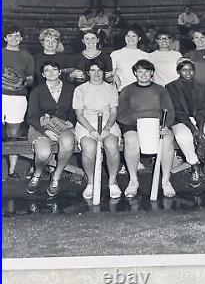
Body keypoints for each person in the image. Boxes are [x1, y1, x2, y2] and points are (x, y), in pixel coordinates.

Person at [117, 59, 176, 198]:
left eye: (147, 71)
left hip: (156, 125)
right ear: (135, 73)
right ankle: (133, 180)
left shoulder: (161, 90)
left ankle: (166, 180)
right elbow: (121, 114)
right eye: (140, 71)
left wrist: (165, 126)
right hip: (134, 125)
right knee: (131, 140)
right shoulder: (127, 90)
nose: (143, 74)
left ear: (152, 73)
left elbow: (170, 111)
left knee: (168, 139)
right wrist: (139, 125)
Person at [168, 58, 205, 188]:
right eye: (184, 70)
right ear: (178, 71)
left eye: (191, 70)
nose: (188, 73)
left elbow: (204, 109)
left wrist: (200, 128)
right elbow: (177, 111)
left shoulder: (202, 86)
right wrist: (193, 130)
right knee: (183, 137)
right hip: (181, 120)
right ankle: (194, 166)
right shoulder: (171, 87)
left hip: (201, 119)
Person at [73, 59, 122, 200]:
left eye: (99, 70)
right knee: (89, 149)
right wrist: (91, 130)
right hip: (86, 124)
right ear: (88, 72)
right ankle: (90, 182)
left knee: (111, 146)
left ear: (104, 72)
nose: (96, 73)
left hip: (108, 123)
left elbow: (113, 113)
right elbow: (79, 114)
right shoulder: (80, 90)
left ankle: (112, 182)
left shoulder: (111, 89)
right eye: (93, 70)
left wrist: (107, 128)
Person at [26, 61, 76, 196]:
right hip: (40, 127)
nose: (51, 72)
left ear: (60, 72)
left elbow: (74, 111)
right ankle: (37, 173)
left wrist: (71, 121)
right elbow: (31, 117)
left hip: (62, 127)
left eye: (54, 69)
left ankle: (56, 176)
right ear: (43, 74)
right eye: (47, 70)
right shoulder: (37, 91)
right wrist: (46, 131)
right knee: (43, 153)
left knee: (68, 142)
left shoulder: (70, 89)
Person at [2, 25, 35, 179]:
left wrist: (21, 83)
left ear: (22, 38)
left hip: (18, 97)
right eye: (10, 36)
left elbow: (30, 79)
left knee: (13, 134)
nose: (14, 39)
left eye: (17, 36)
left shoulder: (27, 56)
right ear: (4, 38)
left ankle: (12, 170)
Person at [111, 26, 149, 92]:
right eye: (128, 36)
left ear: (139, 38)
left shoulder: (145, 55)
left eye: (134, 36)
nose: (130, 38)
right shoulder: (116, 54)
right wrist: (114, 76)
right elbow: (109, 74)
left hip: (141, 91)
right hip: (122, 90)